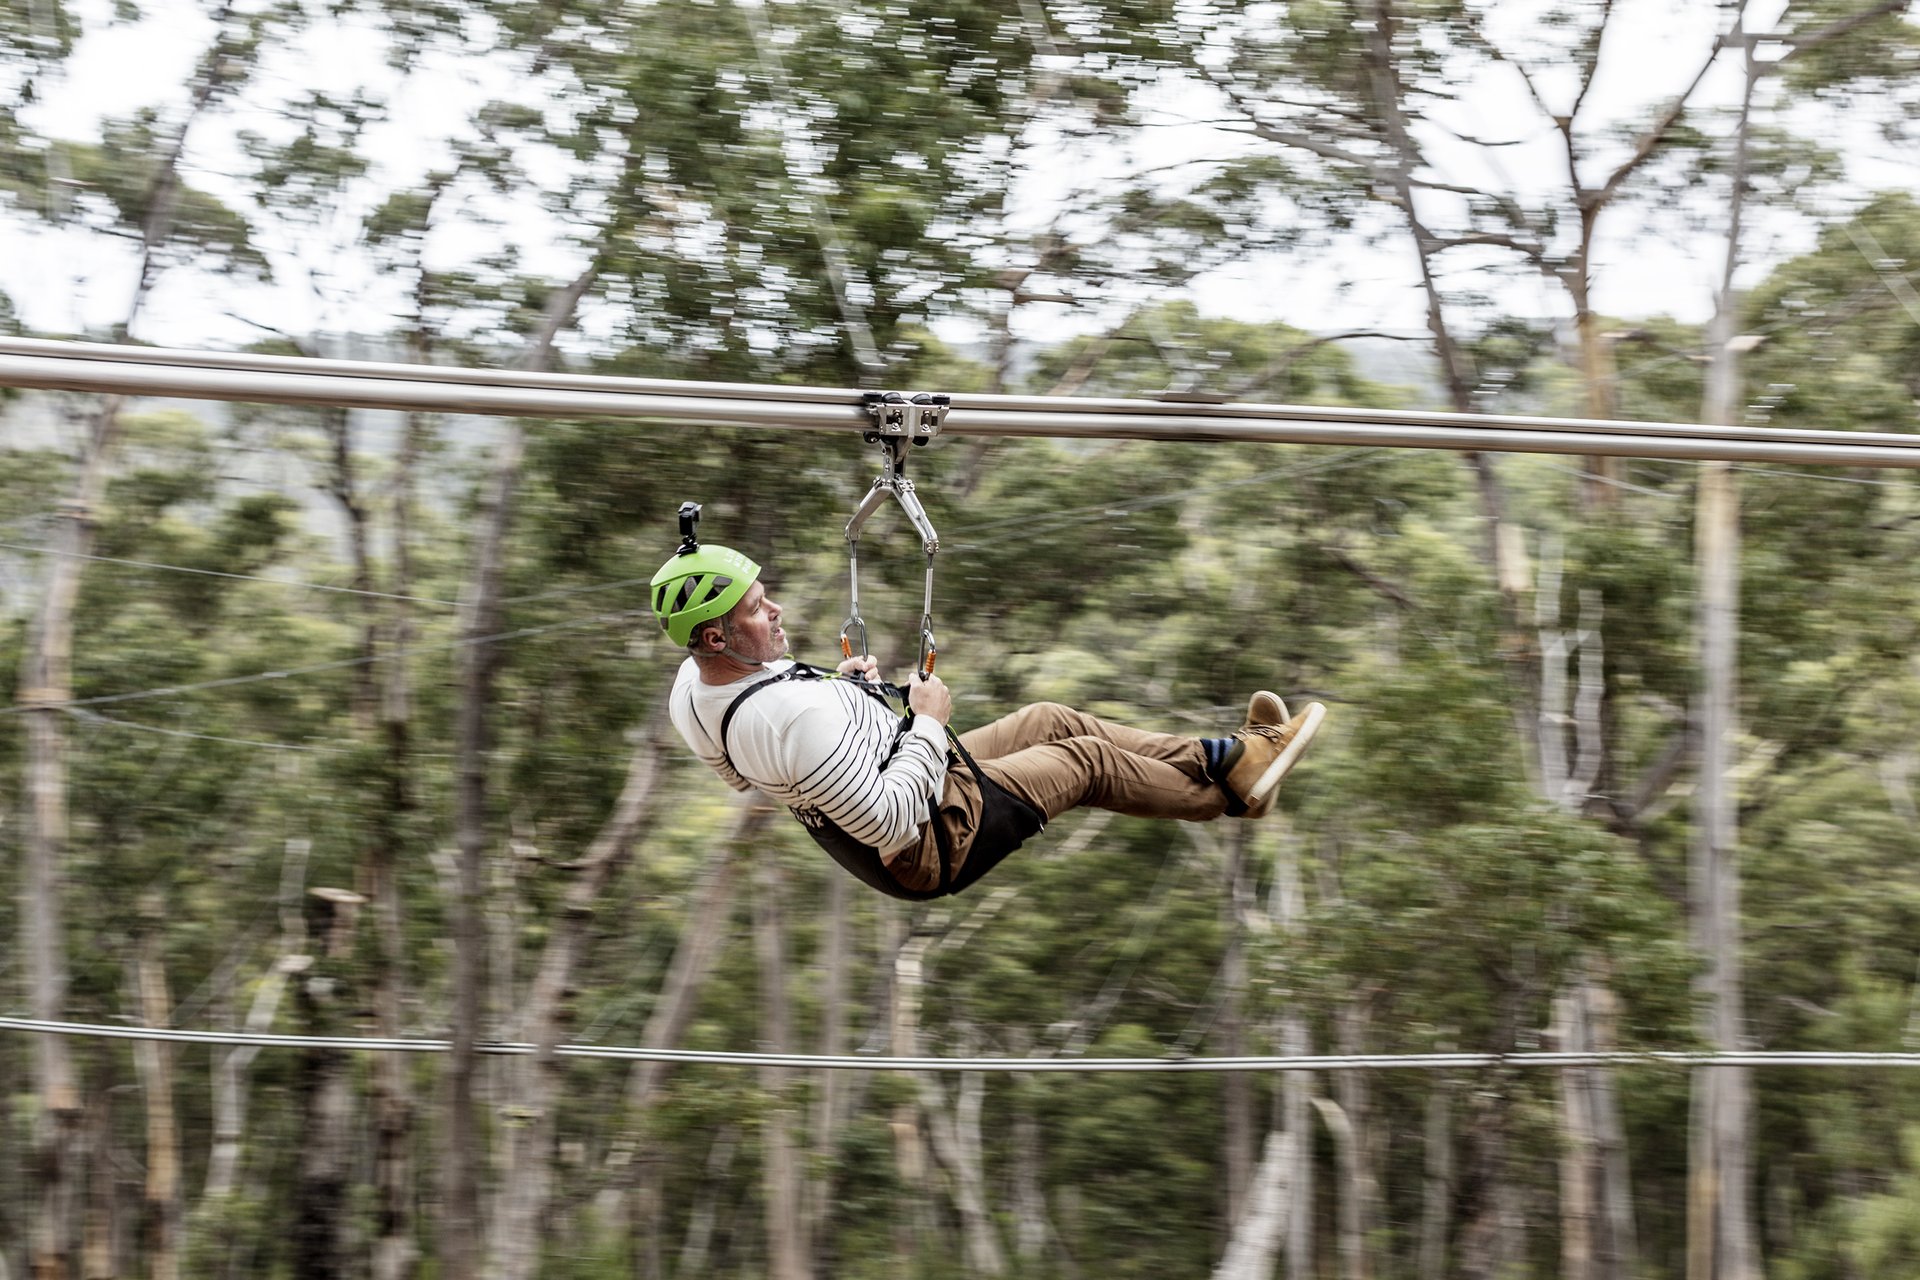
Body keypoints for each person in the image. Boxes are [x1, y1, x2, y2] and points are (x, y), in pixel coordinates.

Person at [654, 528, 1323, 901]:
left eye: (766, 597)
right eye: (756, 608)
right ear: (716, 638)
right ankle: (1238, 797)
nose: (775, 612)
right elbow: (889, 820)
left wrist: (847, 695)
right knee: (1081, 762)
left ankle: (1230, 758)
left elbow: (745, 771)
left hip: (911, 773)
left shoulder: (694, 689)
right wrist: (928, 721)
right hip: (931, 843)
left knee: (1051, 717)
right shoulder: (793, 721)